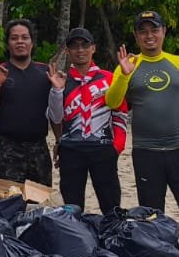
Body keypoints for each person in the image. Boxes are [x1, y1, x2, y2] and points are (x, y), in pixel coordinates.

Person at [106, 11, 179, 232]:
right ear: (136, 36)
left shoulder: (178, 63)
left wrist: (178, 124)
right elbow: (113, 102)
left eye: (154, 29)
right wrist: (123, 75)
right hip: (146, 153)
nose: (149, 35)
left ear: (163, 32)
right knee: (150, 217)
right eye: (143, 31)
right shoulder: (128, 65)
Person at [47, 28, 125, 213]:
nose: (80, 50)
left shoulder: (109, 78)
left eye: (85, 45)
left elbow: (120, 115)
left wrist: (117, 147)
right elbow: (56, 118)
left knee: (111, 204)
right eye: (74, 46)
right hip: (71, 151)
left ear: (93, 48)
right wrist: (57, 91)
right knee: (72, 207)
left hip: (103, 149)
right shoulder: (61, 79)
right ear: (67, 51)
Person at [0, 19, 55, 187]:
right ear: (8, 44)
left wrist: (60, 141)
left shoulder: (45, 72)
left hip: (39, 147)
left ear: (32, 42)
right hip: (8, 148)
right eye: (14, 38)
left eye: (25, 37)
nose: (20, 42)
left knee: (41, 204)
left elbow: (55, 113)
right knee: (9, 205)